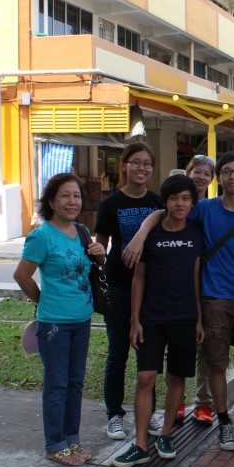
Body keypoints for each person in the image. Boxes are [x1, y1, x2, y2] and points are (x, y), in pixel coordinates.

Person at [124, 153, 234, 451]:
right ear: (218, 178)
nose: (233, 177)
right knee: (217, 366)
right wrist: (141, 234)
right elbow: (166, 213)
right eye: (226, 171)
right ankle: (223, 422)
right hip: (212, 300)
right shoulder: (203, 209)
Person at [14, 174, 107, 466]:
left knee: (75, 382)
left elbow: (89, 267)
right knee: (57, 384)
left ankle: (72, 439)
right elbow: (22, 275)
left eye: (76, 196)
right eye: (65, 196)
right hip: (54, 324)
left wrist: (101, 254)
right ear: (51, 201)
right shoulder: (42, 235)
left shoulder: (80, 231)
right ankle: (55, 444)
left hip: (82, 319)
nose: (72, 201)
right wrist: (43, 301)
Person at [114, 175, 203, 467]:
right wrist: (135, 320)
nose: (180, 203)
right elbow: (138, 279)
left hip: (185, 316)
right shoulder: (151, 234)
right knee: (145, 378)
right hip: (151, 318)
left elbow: (195, 278)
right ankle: (140, 443)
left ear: (192, 202)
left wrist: (199, 319)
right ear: (165, 202)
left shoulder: (195, 232)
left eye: (186, 198)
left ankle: (165, 433)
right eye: (175, 198)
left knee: (177, 377)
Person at [95, 142, 164, 442]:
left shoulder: (156, 202)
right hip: (120, 287)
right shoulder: (111, 204)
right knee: (118, 353)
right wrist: (97, 255)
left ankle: (146, 413)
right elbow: (102, 246)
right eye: (135, 162)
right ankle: (114, 414)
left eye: (147, 164)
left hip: (152, 288)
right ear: (124, 165)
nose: (141, 169)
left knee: (148, 355)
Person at [176, 154, 216, 426]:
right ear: (187, 172)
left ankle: (204, 403)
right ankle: (176, 402)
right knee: (178, 344)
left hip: (206, 282)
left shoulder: (213, 208)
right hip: (176, 282)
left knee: (205, 347)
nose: (200, 176)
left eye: (206, 173)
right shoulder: (175, 203)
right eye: (196, 171)